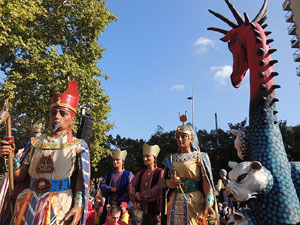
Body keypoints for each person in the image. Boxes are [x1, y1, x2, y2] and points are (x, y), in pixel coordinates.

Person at [0, 80, 90, 225]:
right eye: (53, 112)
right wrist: (10, 156)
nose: (57, 116)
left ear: (72, 120)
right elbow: (19, 175)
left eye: (63, 113)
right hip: (28, 203)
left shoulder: (78, 145)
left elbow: (81, 179)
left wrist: (78, 205)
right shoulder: (35, 143)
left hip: (60, 205)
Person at [161, 113, 216, 225]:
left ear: (191, 139)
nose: (180, 139)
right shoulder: (171, 158)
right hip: (175, 201)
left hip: (195, 200)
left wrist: (209, 204)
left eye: (183, 136)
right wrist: (167, 183)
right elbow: (162, 182)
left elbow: (207, 183)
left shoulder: (200, 156)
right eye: (177, 137)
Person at [129, 144, 164, 225]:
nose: (145, 158)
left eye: (148, 156)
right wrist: (135, 197)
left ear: (154, 158)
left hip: (155, 209)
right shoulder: (141, 173)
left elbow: (159, 188)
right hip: (141, 209)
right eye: (144, 156)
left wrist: (142, 196)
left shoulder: (161, 172)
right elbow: (131, 185)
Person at [100, 149, 134, 224]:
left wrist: (120, 202)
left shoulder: (128, 174)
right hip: (109, 206)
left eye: (117, 160)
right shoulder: (109, 174)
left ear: (122, 161)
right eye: (114, 160)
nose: (115, 162)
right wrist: (110, 189)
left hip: (122, 206)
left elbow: (131, 190)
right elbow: (102, 185)